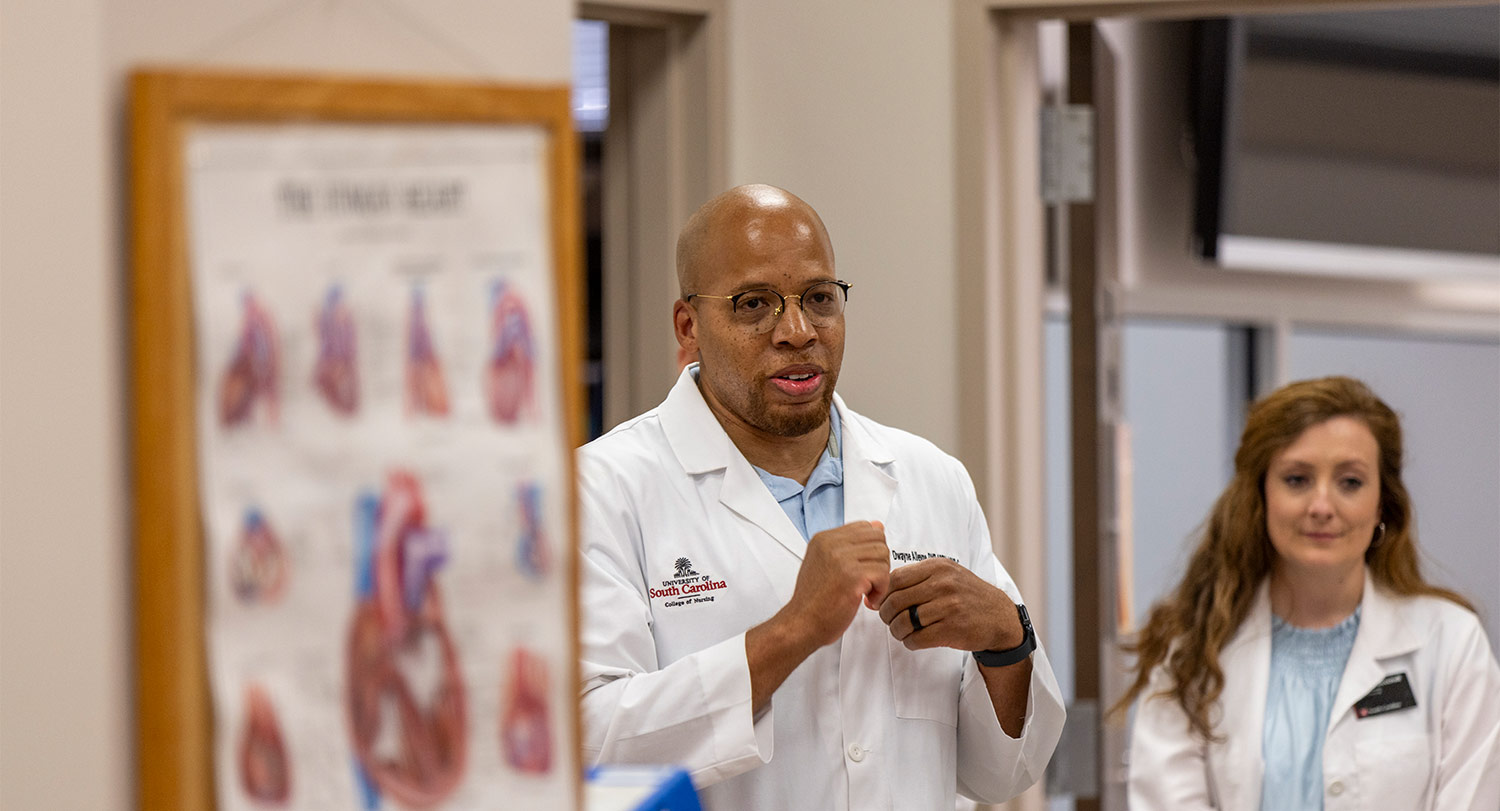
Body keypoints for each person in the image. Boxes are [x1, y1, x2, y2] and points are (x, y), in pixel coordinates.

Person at [577, 184, 1065, 809]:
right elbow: (589, 744)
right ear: (689, 326)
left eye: (818, 299)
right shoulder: (604, 489)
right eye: (754, 304)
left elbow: (1001, 775)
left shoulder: (929, 478)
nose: (798, 331)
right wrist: (793, 630)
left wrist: (1006, 638)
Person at [1120, 376, 1500, 810]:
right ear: (1261, 496)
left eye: (1350, 482)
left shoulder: (1451, 644)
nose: (1322, 506)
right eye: (1297, 479)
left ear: (1382, 504)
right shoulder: (1192, 649)